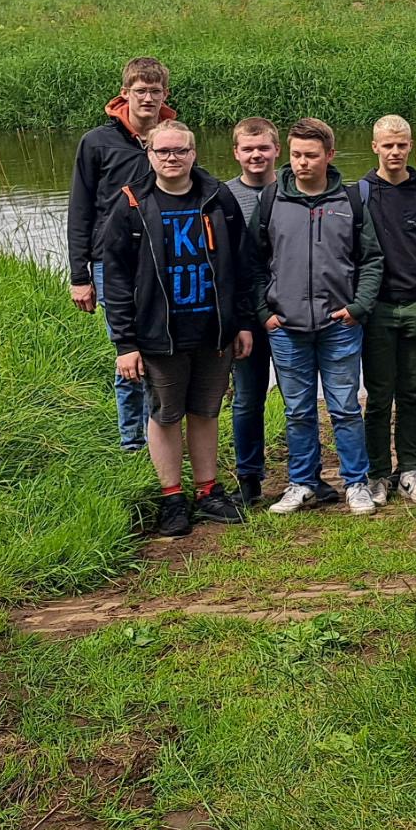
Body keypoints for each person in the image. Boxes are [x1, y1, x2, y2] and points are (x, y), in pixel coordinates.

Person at [99, 119, 255, 536]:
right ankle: (172, 498)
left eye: (180, 151)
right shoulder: (130, 203)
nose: (172, 158)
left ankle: (207, 491)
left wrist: (240, 323)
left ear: (194, 153)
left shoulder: (218, 197)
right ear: (149, 155)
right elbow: (114, 279)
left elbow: (242, 266)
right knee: (166, 415)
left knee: (205, 411)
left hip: (213, 328)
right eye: (163, 151)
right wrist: (125, 343)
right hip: (158, 334)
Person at [244, 117, 383, 516]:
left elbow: (371, 260)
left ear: (330, 156)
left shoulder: (351, 201)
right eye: (297, 155)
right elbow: (254, 263)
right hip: (286, 327)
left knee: (344, 407)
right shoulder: (271, 200)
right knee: (298, 410)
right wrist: (264, 312)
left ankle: (355, 482)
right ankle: (302, 482)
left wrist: (358, 307)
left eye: (311, 155)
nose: (302, 163)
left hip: (339, 325)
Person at [67, 56, 179, 453]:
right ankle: (131, 444)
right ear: (125, 93)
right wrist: (79, 276)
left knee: (162, 349)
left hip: (165, 260)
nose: (148, 97)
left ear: (165, 94)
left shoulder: (172, 140)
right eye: (140, 90)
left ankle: (160, 435)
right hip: (110, 260)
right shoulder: (97, 142)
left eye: (155, 90)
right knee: (127, 349)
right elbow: (80, 209)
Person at [360, 115, 416, 507]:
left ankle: (410, 469)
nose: (395, 152)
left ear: (410, 147)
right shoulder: (359, 193)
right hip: (377, 308)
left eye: (401, 145)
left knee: (412, 393)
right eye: (387, 145)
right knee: (378, 396)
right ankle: (378, 473)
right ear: (375, 146)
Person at [223, 116, 281, 507]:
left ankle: (305, 476)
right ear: (236, 153)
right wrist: (237, 319)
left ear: (277, 150)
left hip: (293, 312)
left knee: (301, 397)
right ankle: (249, 477)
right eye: (248, 149)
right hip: (246, 317)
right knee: (247, 398)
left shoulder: (295, 189)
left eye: (263, 148)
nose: (256, 155)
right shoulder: (222, 197)